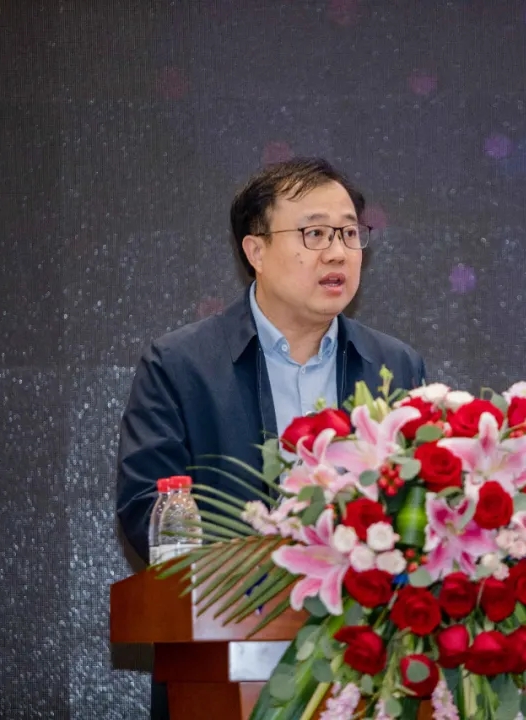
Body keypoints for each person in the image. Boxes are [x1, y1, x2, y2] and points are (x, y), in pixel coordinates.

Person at [114, 157, 427, 718]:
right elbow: (146, 508)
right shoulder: (181, 366)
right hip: (227, 669)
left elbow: (425, 512)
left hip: (370, 668)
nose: (337, 253)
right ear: (255, 250)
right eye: (314, 234)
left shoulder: (396, 365)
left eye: (348, 233)